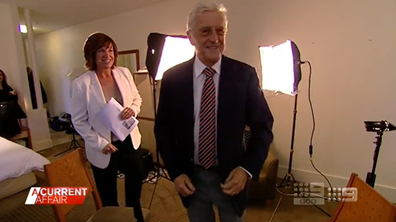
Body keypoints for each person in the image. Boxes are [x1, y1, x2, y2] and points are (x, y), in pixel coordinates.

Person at [154, 2, 274, 222]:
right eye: (205, 31)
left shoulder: (244, 75)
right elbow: (163, 130)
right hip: (191, 179)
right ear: (191, 37)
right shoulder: (172, 79)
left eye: (220, 30)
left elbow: (263, 126)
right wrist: (176, 171)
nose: (215, 38)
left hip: (231, 179)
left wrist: (246, 169)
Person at [71, 32, 145, 222]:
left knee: (135, 186)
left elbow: (137, 98)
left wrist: (133, 110)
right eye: (101, 51)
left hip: (129, 139)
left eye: (110, 50)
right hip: (103, 146)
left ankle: (135, 217)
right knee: (108, 194)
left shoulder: (124, 73)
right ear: (92, 55)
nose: (107, 55)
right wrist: (99, 143)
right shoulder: (81, 84)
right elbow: (78, 120)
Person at [0, 69, 26, 138]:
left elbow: (14, 99)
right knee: (6, 108)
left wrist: (13, 94)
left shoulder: (7, 87)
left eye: (1, 75)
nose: (0, 77)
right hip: (1, 109)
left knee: (10, 106)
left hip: (8, 109)